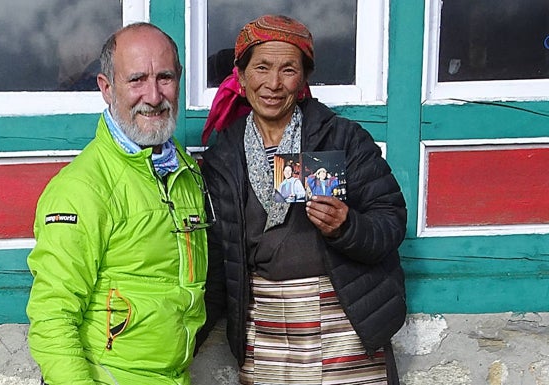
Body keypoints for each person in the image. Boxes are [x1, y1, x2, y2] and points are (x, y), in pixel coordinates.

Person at [198, 15, 407, 385]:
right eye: (261, 67)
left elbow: (390, 221)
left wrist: (347, 227)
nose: (274, 84)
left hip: (345, 322)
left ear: (304, 78)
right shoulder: (223, 158)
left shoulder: (342, 140)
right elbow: (219, 258)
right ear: (242, 77)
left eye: (288, 70)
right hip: (266, 330)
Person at [26, 22, 210, 385]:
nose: (154, 96)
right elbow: (52, 317)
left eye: (166, 78)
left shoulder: (184, 172)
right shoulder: (83, 188)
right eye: (137, 79)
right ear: (106, 88)